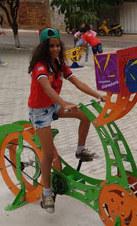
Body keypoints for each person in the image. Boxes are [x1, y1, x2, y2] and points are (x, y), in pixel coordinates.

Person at [28, 28, 106, 213]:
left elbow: (78, 83)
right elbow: (47, 89)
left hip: (54, 105)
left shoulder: (60, 64)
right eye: (51, 46)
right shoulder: (40, 67)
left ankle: (80, 151)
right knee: (47, 154)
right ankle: (46, 193)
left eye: (57, 45)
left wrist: (98, 95)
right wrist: (63, 103)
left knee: (84, 115)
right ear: (43, 48)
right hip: (40, 112)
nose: (55, 49)